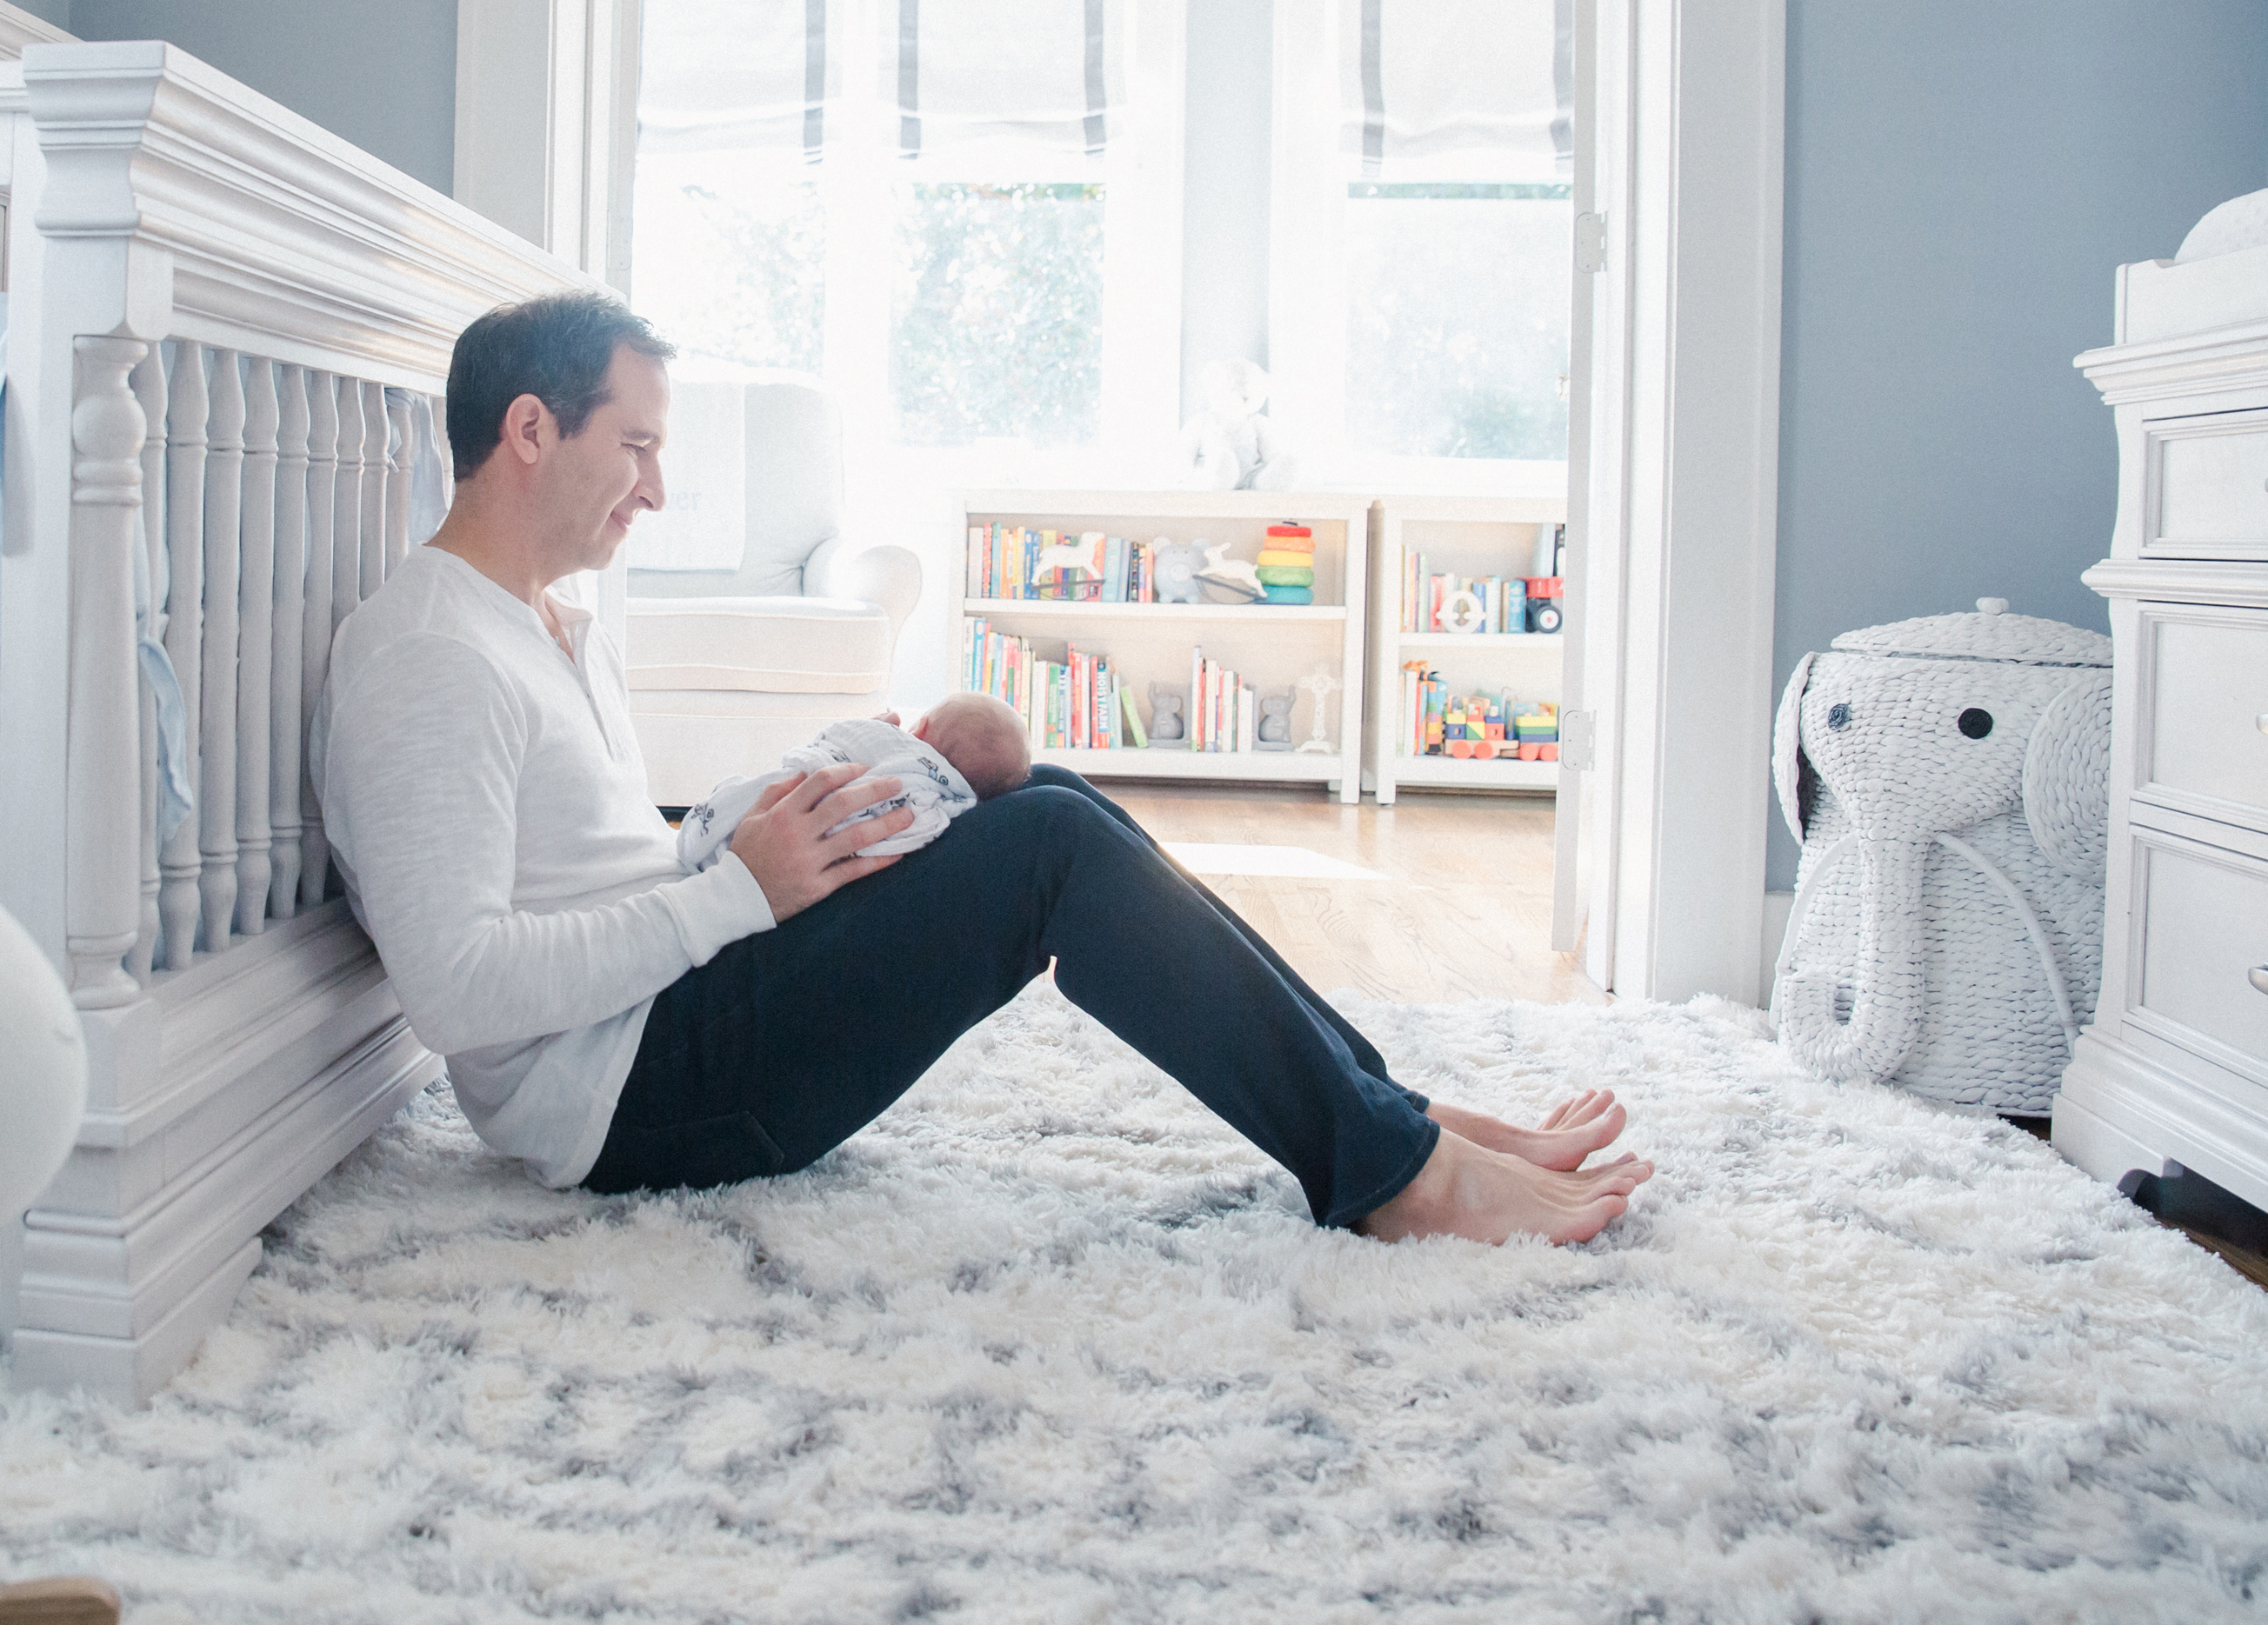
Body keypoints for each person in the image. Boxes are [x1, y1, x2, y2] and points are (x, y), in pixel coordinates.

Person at [313, 291, 1650, 1242]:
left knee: (1031, 796)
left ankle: (1389, 1114)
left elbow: (590, 872)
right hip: (622, 1104)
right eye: (639, 446)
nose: (656, 489)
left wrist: (814, 820)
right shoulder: (429, 656)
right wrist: (739, 894)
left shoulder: (555, 622)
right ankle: (1398, 1177)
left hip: (675, 1003)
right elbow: (458, 991)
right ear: (531, 430)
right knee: (1050, 859)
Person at [671, 695, 1030, 877]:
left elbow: (842, 737)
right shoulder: (943, 805)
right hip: (787, 854)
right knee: (1049, 790)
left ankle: (711, 837)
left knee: (755, 792)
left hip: (791, 803)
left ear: (920, 729)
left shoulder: (890, 740)